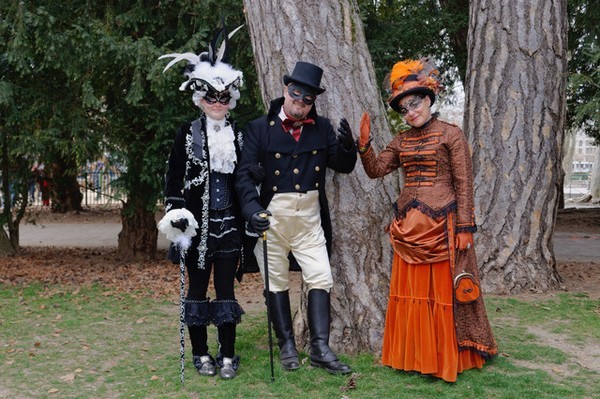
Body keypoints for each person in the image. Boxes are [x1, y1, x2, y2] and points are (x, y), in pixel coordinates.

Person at [357, 58, 497, 382]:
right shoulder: (401, 141)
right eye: (404, 108)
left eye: (415, 103)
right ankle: (414, 357)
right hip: (409, 230)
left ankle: (447, 358)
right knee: (414, 296)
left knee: (443, 295)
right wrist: (364, 146)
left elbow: (464, 183)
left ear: (429, 98)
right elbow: (377, 169)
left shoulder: (451, 134)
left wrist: (465, 228)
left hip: (445, 230)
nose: (410, 112)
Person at [236, 61, 357, 375]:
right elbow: (244, 178)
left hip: (310, 219)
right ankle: (287, 345)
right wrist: (252, 212)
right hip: (272, 219)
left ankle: (320, 348)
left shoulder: (322, 128)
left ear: (313, 101)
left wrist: (348, 147)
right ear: (285, 90)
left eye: (307, 98)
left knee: (321, 277)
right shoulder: (259, 128)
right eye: (296, 93)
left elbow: (341, 165)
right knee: (275, 282)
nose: (300, 102)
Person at [157, 26, 247, 380]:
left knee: (225, 290)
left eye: (223, 98)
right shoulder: (187, 132)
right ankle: (200, 353)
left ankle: (227, 355)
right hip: (195, 229)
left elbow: (246, 177)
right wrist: (175, 211)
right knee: (196, 289)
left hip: (229, 226)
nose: (217, 104)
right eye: (210, 98)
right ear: (199, 98)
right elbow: (172, 176)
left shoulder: (238, 133)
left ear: (231, 100)